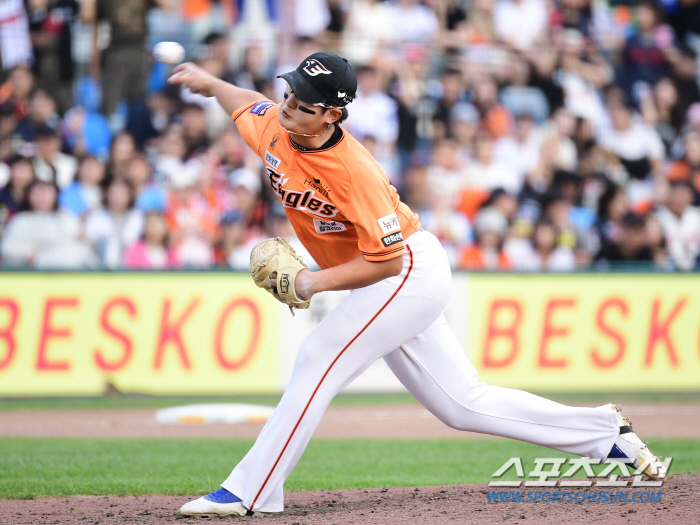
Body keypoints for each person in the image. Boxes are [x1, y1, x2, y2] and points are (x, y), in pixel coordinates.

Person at [169, 52, 666, 517]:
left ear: (332, 116)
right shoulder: (275, 124)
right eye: (290, 92)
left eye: (305, 102)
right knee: (461, 404)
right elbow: (244, 103)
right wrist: (210, 83)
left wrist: (313, 282)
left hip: (408, 270)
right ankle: (604, 435)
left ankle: (251, 490)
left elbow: (386, 263)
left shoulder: (352, 170)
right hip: (386, 279)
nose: (290, 104)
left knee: (317, 358)